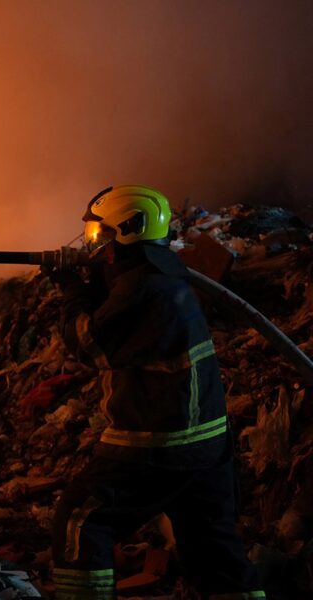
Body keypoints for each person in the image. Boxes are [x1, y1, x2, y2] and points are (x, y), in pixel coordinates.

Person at [49, 185, 265, 599]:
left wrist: (71, 290)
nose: (93, 246)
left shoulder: (141, 290)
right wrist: (93, 282)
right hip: (204, 439)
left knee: (80, 520)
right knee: (213, 551)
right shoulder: (159, 274)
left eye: (100, 236)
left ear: (128, 233)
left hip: (158, 441)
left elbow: (88, 344)